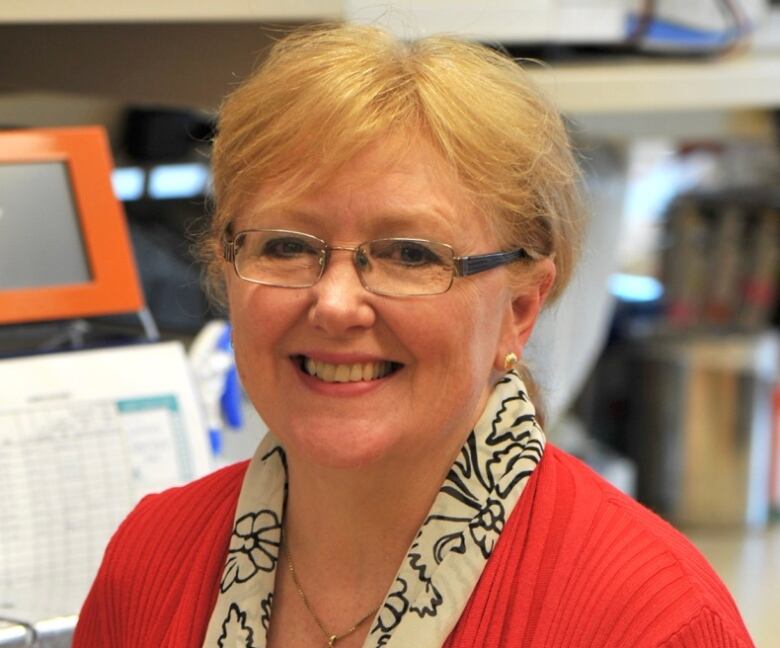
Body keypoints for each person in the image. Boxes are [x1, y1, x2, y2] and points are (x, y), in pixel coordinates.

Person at [73, 23, 754, 648]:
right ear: (227, 272)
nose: (336, 304)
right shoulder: (150, 561)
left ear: (520, 306)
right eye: (286, 246)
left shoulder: (650, 620)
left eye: (410, 255)